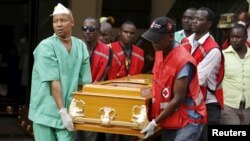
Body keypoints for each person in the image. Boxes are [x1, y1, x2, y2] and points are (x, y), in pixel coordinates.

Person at [28, 3, 92, 141]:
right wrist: (62, 111)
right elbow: (54, 81)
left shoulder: (80, 46)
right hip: (45, 112)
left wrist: (77, 110)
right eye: (55, 21)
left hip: (69, 112)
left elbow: (84, 83)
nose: (58, 24)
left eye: (63, 20)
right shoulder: (46, 46)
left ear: (72, 22)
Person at [141, 16, 206, 141]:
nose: (153, 43)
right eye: (152, 39)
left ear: (170, 37)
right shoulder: (159, 52)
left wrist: (155, 122)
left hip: (188, 119)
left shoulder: (183, 60)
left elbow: (178, 99)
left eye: (157, 39)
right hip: (170, 117)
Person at [180, 7, 224, 141]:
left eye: (199, 19)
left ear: (209, 24)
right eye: (194, 18)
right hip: (190, 101)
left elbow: (197, 79)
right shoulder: (185, 42)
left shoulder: (213, 49)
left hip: (208, 104)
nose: (194, 21)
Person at [220, 24, 250, 125]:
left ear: (246, 37)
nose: (234, 40)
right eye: (232, 37)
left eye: (238, 37)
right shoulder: (222, 55)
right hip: (229, 106)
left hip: (248, 107)